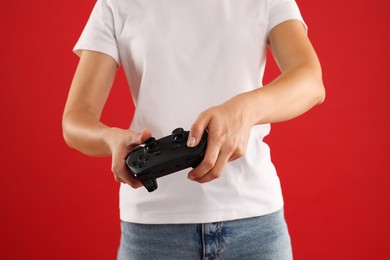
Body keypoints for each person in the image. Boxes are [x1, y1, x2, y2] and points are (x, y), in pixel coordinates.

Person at [63, 0, 325, 259]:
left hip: (254, 225)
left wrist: (244, 109)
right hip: (152, 233)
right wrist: (110, 139)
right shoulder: (115, 4)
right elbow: (75, 120)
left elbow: (311, 81)